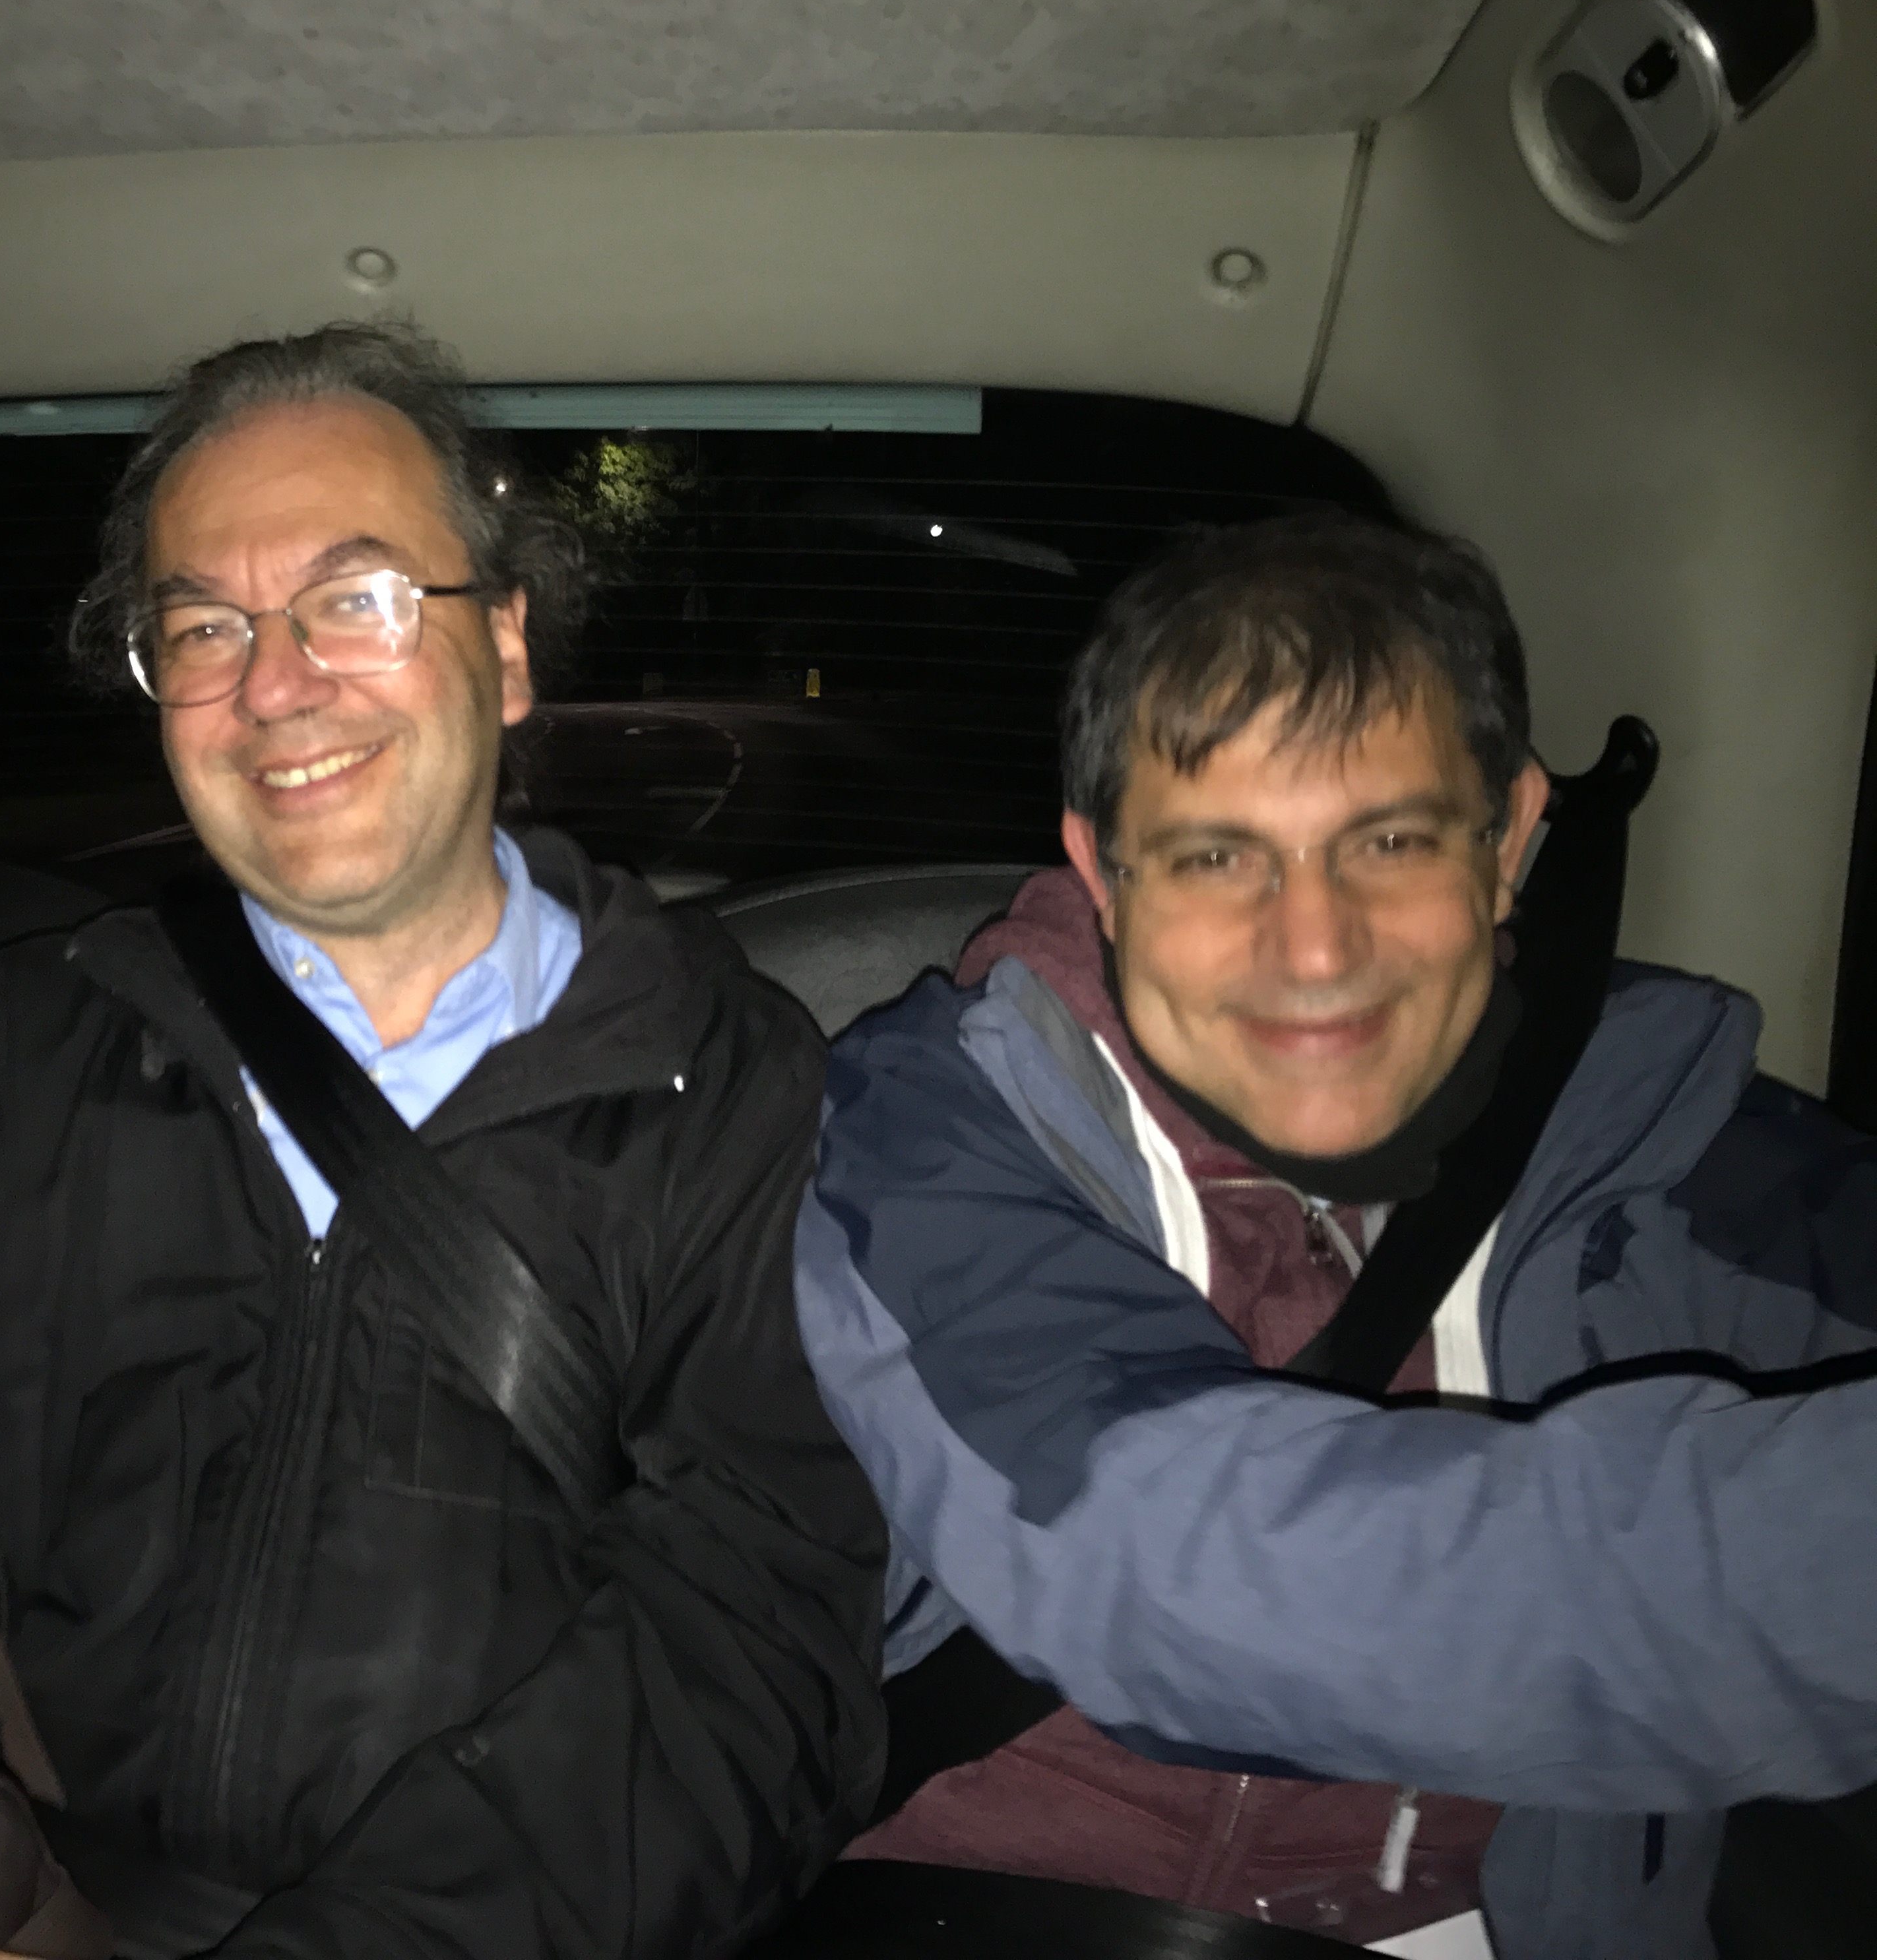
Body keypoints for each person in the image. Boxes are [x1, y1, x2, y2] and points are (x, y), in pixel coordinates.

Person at [0, 322, 888, 1960]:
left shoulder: (731, 1084)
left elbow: (743, 1672)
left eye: (357, 599)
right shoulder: (25, 1047)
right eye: (205, 627)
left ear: (504, 651)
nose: (275, 687)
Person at [797, 510, 1877, 1958]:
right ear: (1102, 874)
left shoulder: (1671, 1144)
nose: (1313, 948)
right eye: (1215, 857)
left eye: (1391, 841)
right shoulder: (933, 1138)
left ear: (1510, 841)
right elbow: (1165, 1568)